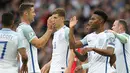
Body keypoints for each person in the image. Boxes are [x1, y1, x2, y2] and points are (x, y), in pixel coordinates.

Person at [17, 2, 55, 73]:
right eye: (33, 12)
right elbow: (39, 44)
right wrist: (49, 30)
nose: (34, 14)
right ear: (26, 13)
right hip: (32, 70)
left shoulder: (19, 29)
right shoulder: (26, 28)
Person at [41, 8, 74, 73]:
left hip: (62, 69)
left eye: (55, 18)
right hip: (53, 69)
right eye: (52, 18)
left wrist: (69, 68)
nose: (53, 20)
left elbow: (73, 50)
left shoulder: (66, 31)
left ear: (62, 19)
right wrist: (48, 65)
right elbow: (57, 55)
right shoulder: (56, 34)